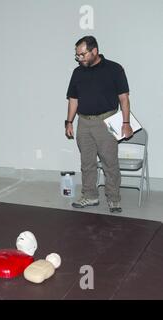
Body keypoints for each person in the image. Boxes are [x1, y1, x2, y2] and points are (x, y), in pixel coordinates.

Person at [65, 36, 133, 213]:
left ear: (94, 51)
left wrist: (126, 123)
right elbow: (73, 99)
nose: (79, 58)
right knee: (87, 163)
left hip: (107, 121)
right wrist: (69, 122)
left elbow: (124, 99)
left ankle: (113, 198)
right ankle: (90, 195)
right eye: (77, 55)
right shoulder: (77, 72)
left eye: (82, 54)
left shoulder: (114, 69)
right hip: (84, 124)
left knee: (110, 162)